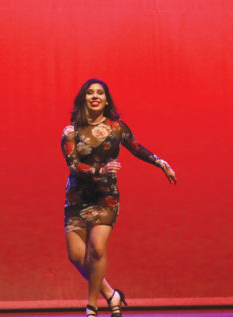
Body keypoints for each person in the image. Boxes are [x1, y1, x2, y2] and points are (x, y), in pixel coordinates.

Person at [61, 78, 177, 317]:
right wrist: (100, 170)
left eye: (100, 93)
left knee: (97, 249)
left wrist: (161, 163)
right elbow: (74, 166)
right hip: (77, 197)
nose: (95, 96)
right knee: (75, 256)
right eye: (90, 93)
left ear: (106, 100)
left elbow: (136, 148)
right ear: (83, 99)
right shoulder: (70, 131)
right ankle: (111, 294)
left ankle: (91, 306)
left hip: (106, 196)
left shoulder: (117, 128)